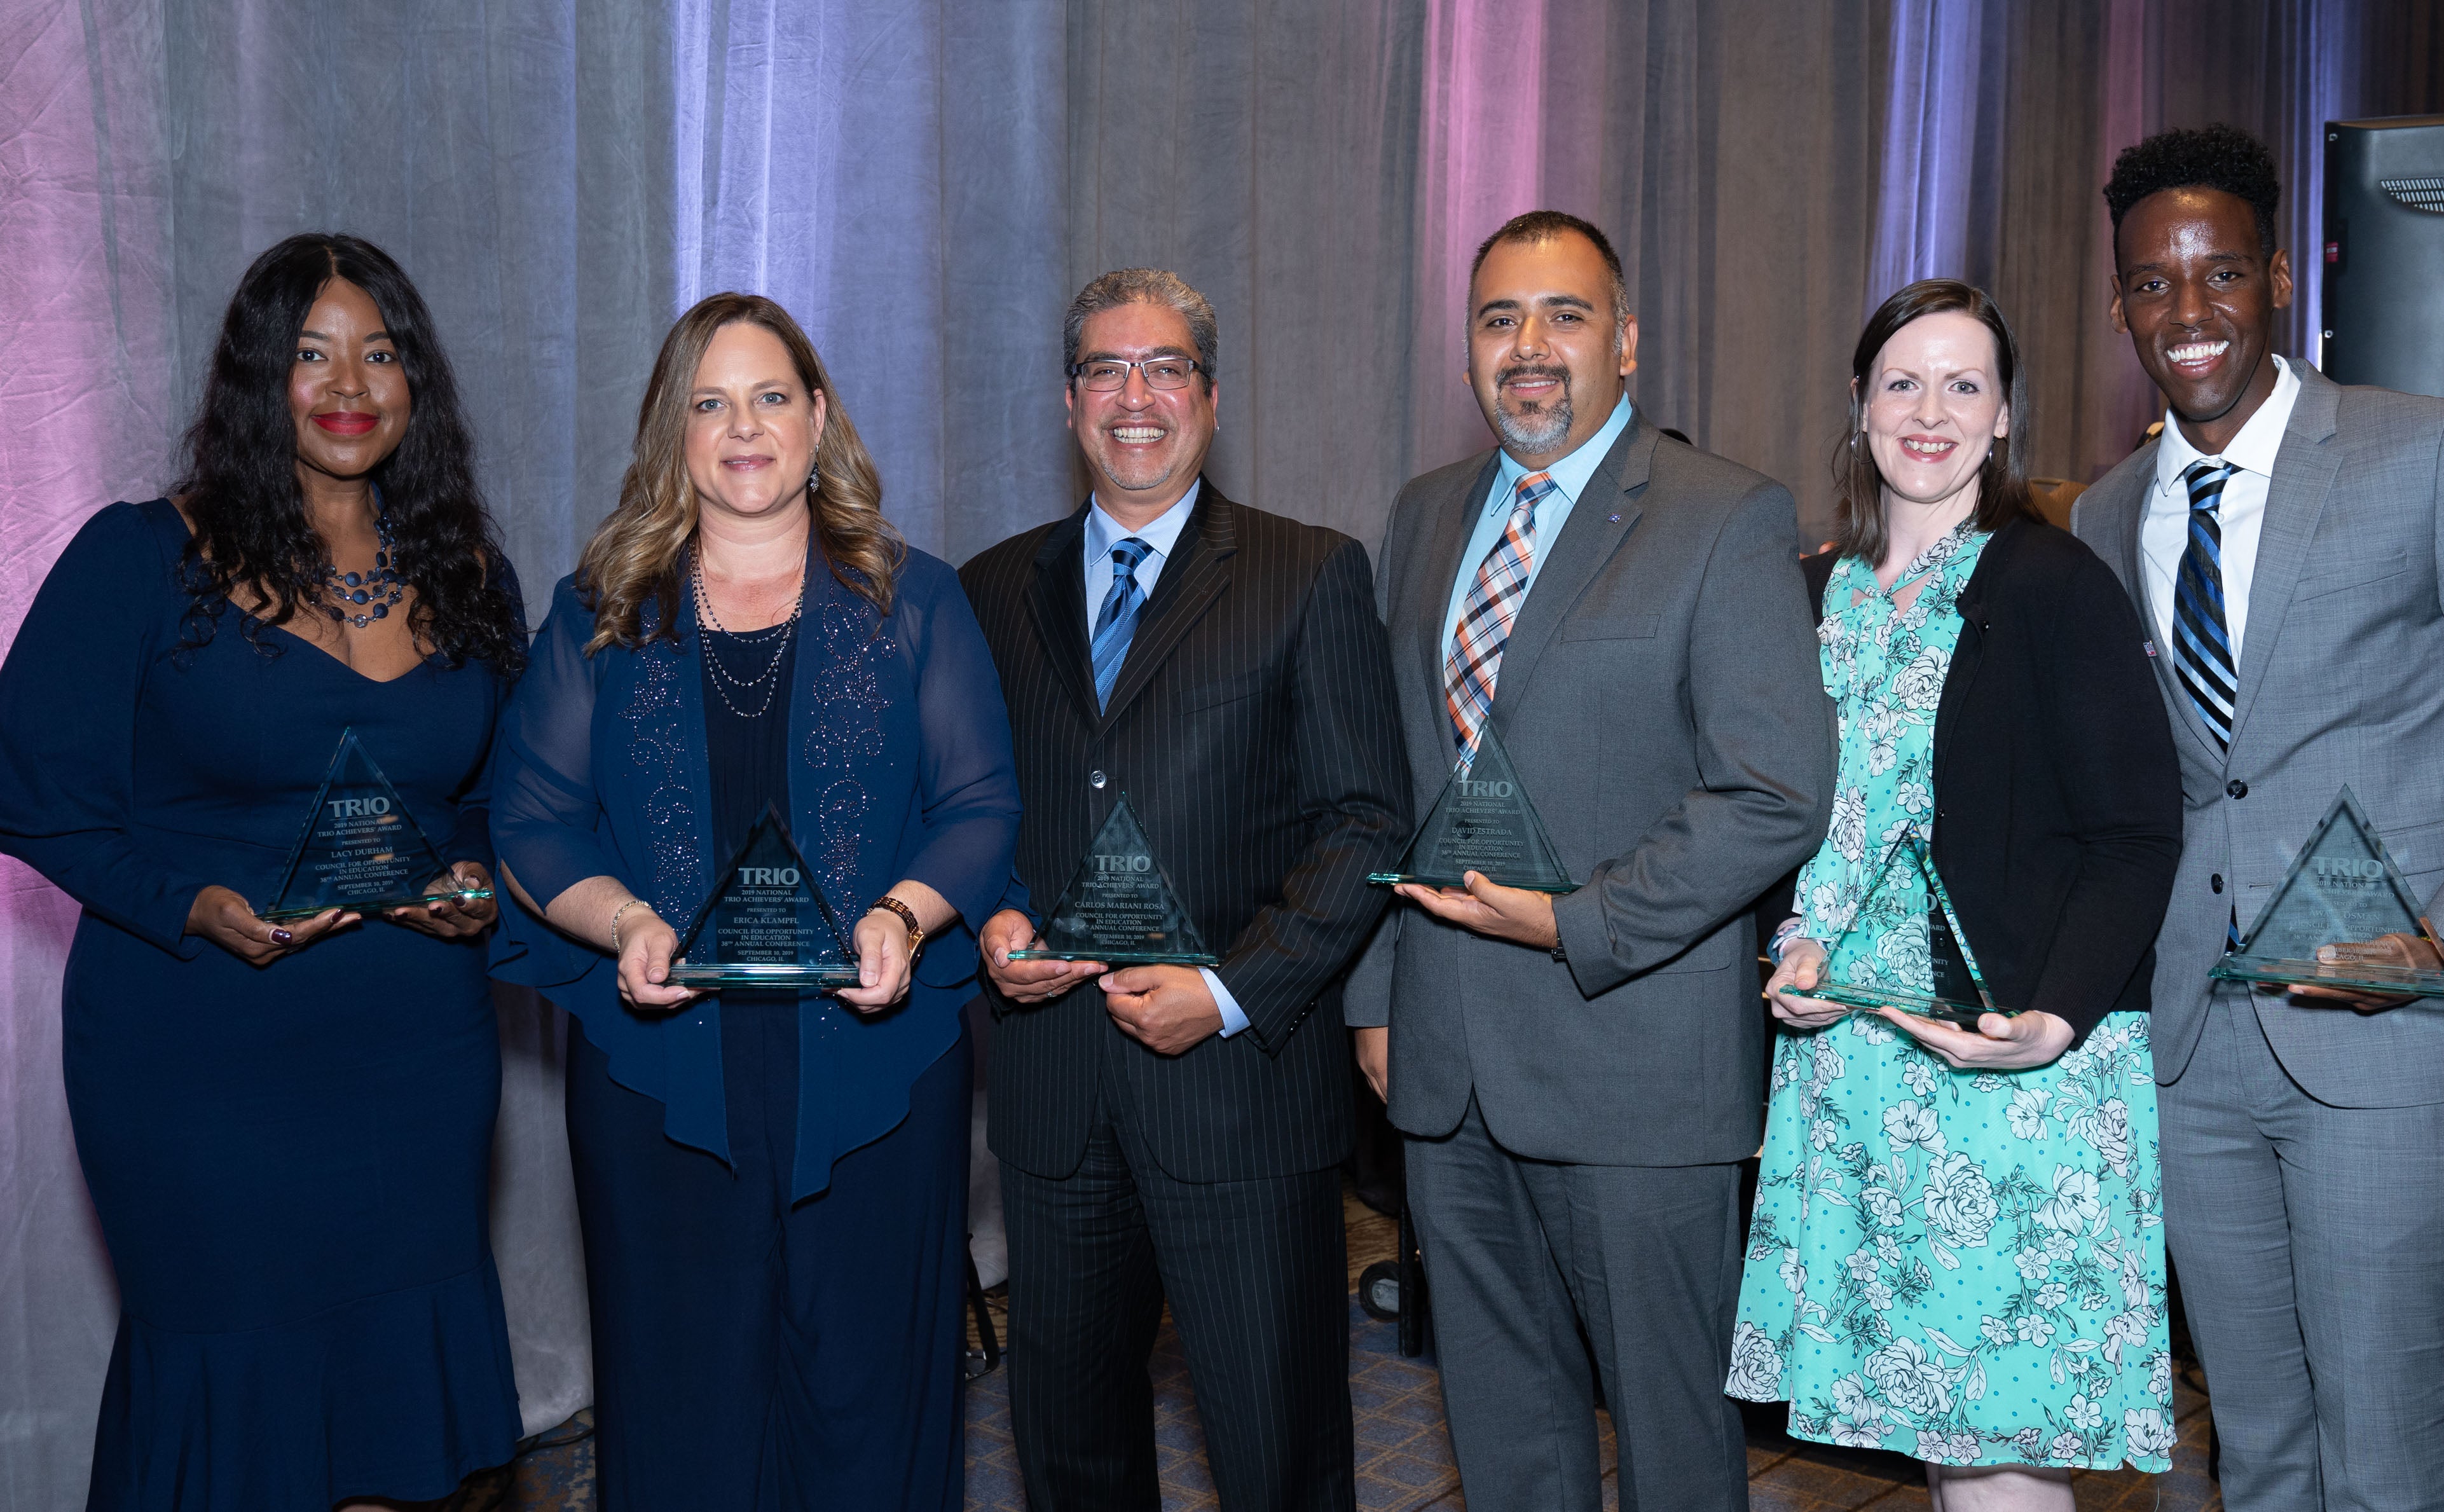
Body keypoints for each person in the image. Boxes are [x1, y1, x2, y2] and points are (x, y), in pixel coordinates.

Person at [0, 233, 525, 1511]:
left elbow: (492, 799)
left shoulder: (471, 578)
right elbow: (29, 786)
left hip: (414, 1047)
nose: (350, 382)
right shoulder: (139, 558)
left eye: (380, 351)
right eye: (311, 353)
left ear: (416, 384)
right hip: (196, 1046)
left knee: (391, 1411)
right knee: (237, 1403)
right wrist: (188, 904)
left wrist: (475, 882)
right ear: (257, 378)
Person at [2068, 124, 2444, 1512]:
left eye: (2219, 273)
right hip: (2195, 1051)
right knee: (2257, 1453)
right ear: (2118, 309)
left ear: (2276, 277)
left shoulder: (2432, 452)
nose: (2188, 312)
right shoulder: (2105, 514)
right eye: (2152, 284)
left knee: (2388, 1460)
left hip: (2396, 1048)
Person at [490, 292, 1020, 1510]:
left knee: (873, 1402)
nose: (744, 427)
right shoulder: (601, 609)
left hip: (877, 1077)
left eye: (772, 396)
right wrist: (622, 918)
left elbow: (982, 802)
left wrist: (904, 912)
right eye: (710, 402)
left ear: (819, 416)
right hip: (660, 1075)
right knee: (681, 1408)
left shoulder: (914, 599)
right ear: (670, 432)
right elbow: (532, 819)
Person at [1342, 210, 1833, 1512]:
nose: (1528, 348)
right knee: (1504, 1435)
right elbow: (1400, 783)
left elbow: (1773, 793)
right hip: (1445, 1060)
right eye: (1498, 318)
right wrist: (1378, 988)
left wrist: (1577, 923)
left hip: (1633, 1053)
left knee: (1672, 1443)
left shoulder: (1724, 515)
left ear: (1624, 340)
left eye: (1562, 315)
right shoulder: (1425, 512)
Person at [963, 267, 1413, 1512]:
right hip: (1055, 1097)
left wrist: (1226, 989)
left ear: (1210, 399)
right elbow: (967, 810)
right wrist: (992, 917)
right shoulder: (989, 590)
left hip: (1238, 1096)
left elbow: (1367, 816)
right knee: (1070, 1452)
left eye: (1164, 366)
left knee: (1276, 1454)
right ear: (1067, 403)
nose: (1134, 395)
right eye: (1104, 369)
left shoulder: (1306, 572)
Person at [1728, 279, 2183, 1508]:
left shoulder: (2051, 582)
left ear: (2003, 417)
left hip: (2009, 1080)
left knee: (1998, 1465)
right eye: (1903, 382)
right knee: (1939, 1447)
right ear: (1860, 404)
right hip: (1855, 1074)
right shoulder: (1807, 590)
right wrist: (1791, 954)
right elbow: (1788, 826)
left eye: (1964, 385)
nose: (1930, 412)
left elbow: (2137, 832)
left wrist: (2057, 1016)